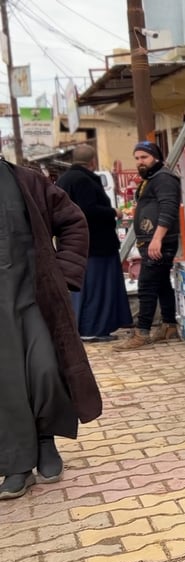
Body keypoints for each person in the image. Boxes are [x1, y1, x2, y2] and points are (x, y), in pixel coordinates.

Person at [0, 158, 104, 499]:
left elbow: (73, 221)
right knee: (6, 384)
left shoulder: (28, 181)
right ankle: (17, 464)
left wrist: (63, 272)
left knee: (45, 369)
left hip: (34, 299)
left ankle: (46, 441)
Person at [56, 144, 132, 342]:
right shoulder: (84, 180)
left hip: (72, 244)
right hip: (95, 244)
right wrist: (113, 212)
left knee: (82, 289)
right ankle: (92, 329)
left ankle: (83, 328)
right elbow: (88, 211)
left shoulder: (64, 179)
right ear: (93, 162)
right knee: (97, 288)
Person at [116, 141, 181, 350]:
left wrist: (157, 238)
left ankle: (142, 332)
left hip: (159, 242)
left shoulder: (164, 178)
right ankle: (169, 325)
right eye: (137, 158)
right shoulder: (152, 178)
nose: (140, 162)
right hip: (151, 241)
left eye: (144, 157)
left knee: (146, 285)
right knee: (161, 283)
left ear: (156, 157)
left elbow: (169, 209)